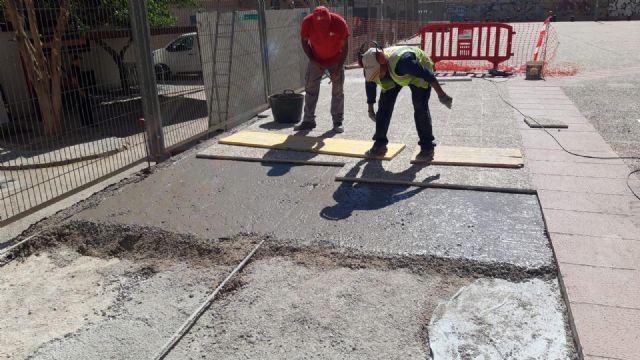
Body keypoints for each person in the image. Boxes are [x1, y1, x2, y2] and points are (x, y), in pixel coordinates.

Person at [360, 45, 453, 160]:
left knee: (420, 107)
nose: (376, 76)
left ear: (382, 62)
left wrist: (442, 95)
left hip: (419, 72)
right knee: (384, 107)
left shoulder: (404, 63)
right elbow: (370, 85)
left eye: (377, 73)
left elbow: (428, 75)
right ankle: (380, 144)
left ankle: (427, 147)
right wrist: (370, 108)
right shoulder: (370, 65)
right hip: (394, 72)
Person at [295, 6, 349, 133]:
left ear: (329, 18)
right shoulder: (307, 22)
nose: (322, 28)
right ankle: (308, 120)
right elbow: (304, 42)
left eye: (324, 25)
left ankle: (337, 121)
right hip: (316, 59)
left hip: (336, 60)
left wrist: (339, 68)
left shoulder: (340, 23)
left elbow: (345, 47)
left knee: (338, 90)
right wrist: (313, 61)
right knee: (310, 89)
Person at [67, 55, 94, 126]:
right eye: (79, 60)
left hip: (81, 89)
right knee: (85, 105)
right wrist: (80, 90)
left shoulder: (76, 68)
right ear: (75, 60)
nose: (80, 61)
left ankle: (86, 122)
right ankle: (88, 122)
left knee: (83, 106)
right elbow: (74, 80)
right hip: (80, 90)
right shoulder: (74, 68)